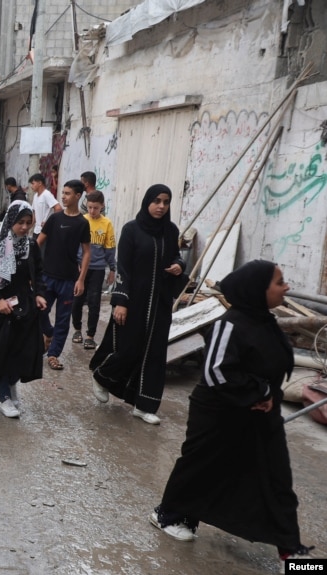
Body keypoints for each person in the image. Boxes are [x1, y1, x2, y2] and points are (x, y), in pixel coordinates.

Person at [151, 260, 314, 571]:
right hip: (219, 415)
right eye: (279, 282)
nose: (287, 287)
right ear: (258, 289)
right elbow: (215, 372)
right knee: (201, 468)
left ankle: (293, 554)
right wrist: (260, 392)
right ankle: (168, 514)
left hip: (261, 417)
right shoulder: (229, 324)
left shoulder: (266, 321)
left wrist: (268, 396)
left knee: (277, 479)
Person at [89, 184, 186, 424]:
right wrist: (120, 301)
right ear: (147, 202)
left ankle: (144, 405)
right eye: (157, 201)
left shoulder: (171, 231)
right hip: (135, 301)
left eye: (166, 202)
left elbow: (175, 255)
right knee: (128, 348)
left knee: (155, 354)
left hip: (160, 303)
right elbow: (124, 267)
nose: (161, 206)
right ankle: (102, 376)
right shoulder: (132, 230)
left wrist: (179, 265)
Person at [0, 200, 47, 418]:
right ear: (10, 221)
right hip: (0, 313)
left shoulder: (31, 246)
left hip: (24, 310)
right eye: (19, 223)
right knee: (0, 355)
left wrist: (40, 294)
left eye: (28, 223)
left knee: (21, 353)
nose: (24, 228)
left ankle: (12, 384)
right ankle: (4, 396)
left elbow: (40, 273)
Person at [36, 180, 90, 371]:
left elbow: (86, 253)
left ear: (78, 196)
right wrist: (30, 269)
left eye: (68, 193)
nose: (63, 197)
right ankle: (48, 333)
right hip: (47, 277)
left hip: (68, 280)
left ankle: (53, 354)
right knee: (39, 312)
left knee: (63, 319)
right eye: (63, 193)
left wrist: (81, 279)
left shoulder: (83, 223)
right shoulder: (54, 219)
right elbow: (38, 243)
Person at [71, 191, 117, 351]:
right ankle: (77, 330)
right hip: (80, 267)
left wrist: (112, 268)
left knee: (94, 301)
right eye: (89, 207)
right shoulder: (82, 221)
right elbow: (73, 244)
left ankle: (90, 336)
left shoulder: (107, 224)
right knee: (77, 299)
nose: (92, 211)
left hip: (97, 269)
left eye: (95, 208)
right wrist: (74, 264)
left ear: (102, 206)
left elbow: (110, 247)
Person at [29, 172, 61, 237]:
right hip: (36, 231)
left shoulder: (46, 194)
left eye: (33, 183)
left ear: (40, 183)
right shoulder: (35, 196)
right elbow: (34, 215)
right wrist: (28, 228)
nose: (31, 186)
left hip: (45, 231)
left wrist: (51, 223)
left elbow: (58, 208)